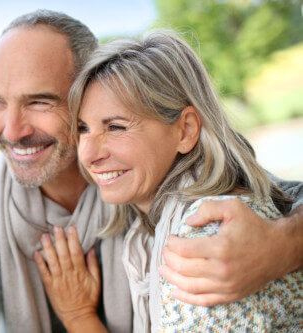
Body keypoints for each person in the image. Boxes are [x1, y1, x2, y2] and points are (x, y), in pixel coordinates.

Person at [0, 10, 303, 332]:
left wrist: (283, 243)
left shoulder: (188, 217)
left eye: (39, 101)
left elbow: (280, 197)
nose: (10, 130)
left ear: (89, 91)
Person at [34, 31, 302, 332]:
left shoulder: (207, 239)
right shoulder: (150, 227)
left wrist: (78, 316)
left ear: (185, 130)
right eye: (83, 129)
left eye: (116, 127)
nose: (89, 154)